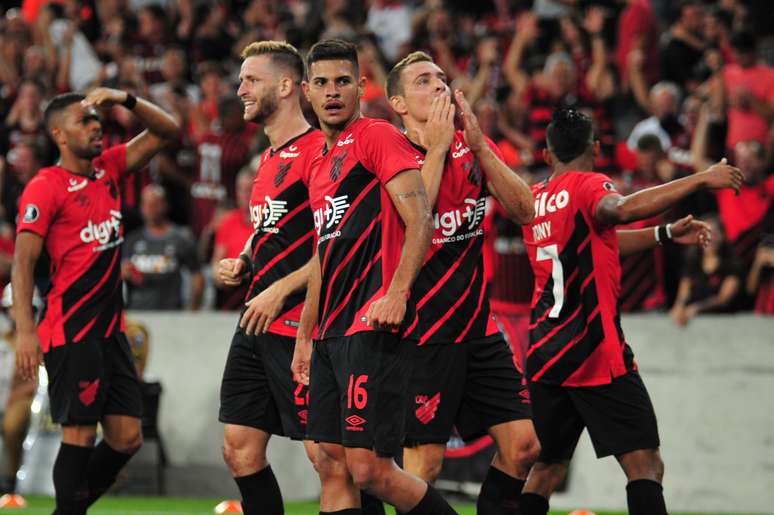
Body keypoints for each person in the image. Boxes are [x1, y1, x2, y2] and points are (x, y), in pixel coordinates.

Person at [518, 108, 742, 515]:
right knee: (645, 465)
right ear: (597, 148)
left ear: (548, 155)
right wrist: (701, 177)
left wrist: (664, 234)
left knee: (546, 469)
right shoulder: (589, 186)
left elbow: (595, 245)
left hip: (545, 353)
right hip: (594, 352)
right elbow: (618, 210)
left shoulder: (534, 200)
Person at [293, 39, 455, 515]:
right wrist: (306, 335)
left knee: (371, 471)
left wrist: (398, 293)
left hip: (372, 328)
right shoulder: (320, 162)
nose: (332, 92)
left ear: (361, 87)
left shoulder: (376, 136)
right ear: (306, 91)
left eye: (343, 81)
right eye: (321, 83)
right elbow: (325, 255)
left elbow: (421, 219)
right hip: (330, 334)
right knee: (331, 463)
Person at [385, 51, 541, 513]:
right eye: (422, 81)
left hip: (478, 328)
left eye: (440, 78)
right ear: (397, 102)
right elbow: (420, 221)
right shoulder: (391, 153)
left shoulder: (466, 146)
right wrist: (435, 148)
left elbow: (526, 210)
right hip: (423, 334)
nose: (438, 86)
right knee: (424, 468)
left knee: (524, 447)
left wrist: (478, 146)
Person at [12, 87, 179, 514]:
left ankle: (70, 508)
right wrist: (26, 332)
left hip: (110, 333)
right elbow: (23, 264)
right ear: (58, 134)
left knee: (128, 438)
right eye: (84, 121)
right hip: (71, 331)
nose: (95, 127)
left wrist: (126, 99)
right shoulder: (45, 186)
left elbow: (168, 130)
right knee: (81, 435)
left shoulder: (109, 169)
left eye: (96, 120)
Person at [213, 40, 327, 515]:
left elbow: (336, 245)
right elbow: (269, 228)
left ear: (285, 86)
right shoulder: (268, 159)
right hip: (256, 323)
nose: (240, 89)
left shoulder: (319, 152)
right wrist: (244, 260)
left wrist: (281, 287)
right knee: (239, 449)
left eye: (250, 80)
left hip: (304, 327)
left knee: (331, 458)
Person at [122, 184, 203, 310]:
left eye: (155, 204)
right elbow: (121, 272)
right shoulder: (132, 240)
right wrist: (125, 273)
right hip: (137, 312)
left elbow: (197, 276)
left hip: (171, 314)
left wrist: (192, 310)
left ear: (165, 205)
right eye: (146, 204)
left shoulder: (181, 238)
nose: (149, 209)